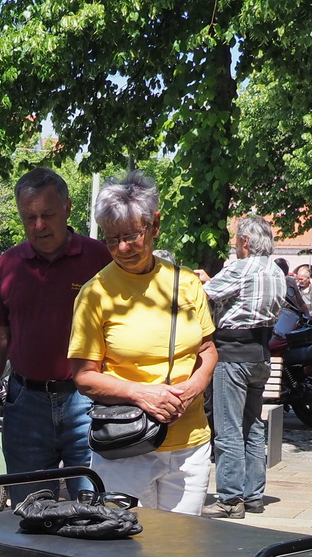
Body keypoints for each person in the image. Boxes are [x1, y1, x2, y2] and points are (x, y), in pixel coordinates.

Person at [69, 171, 218, 514]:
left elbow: (208, 351)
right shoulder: (95, 293)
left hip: (189, 447)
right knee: (129, 552)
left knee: (182, 551)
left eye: (131, 235)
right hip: (126, 444)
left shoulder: (187, 284)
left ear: (154, 225)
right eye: (111, 239)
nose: (121, 248)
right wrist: (143, 394)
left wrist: (195, 386)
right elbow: (84, 377)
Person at [0, 168, 111, 497]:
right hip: (26, 405)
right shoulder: (10, 263)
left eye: (48, 214)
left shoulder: (100, 259)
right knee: (29, 512)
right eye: (28, 217)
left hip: (86, 404)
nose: (39, 225)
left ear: (68, 209)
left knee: (93, 513)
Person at [201, 216, 286, 518]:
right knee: (252, 426)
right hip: (261, 355)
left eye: (236, 239)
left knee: (228, 430)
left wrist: (203, 280)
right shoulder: (276, 271)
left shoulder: (240, 267)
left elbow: (203, 295)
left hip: (233, 355)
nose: (234, 245)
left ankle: (230, 499)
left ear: (246, 242)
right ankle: (254, 496)